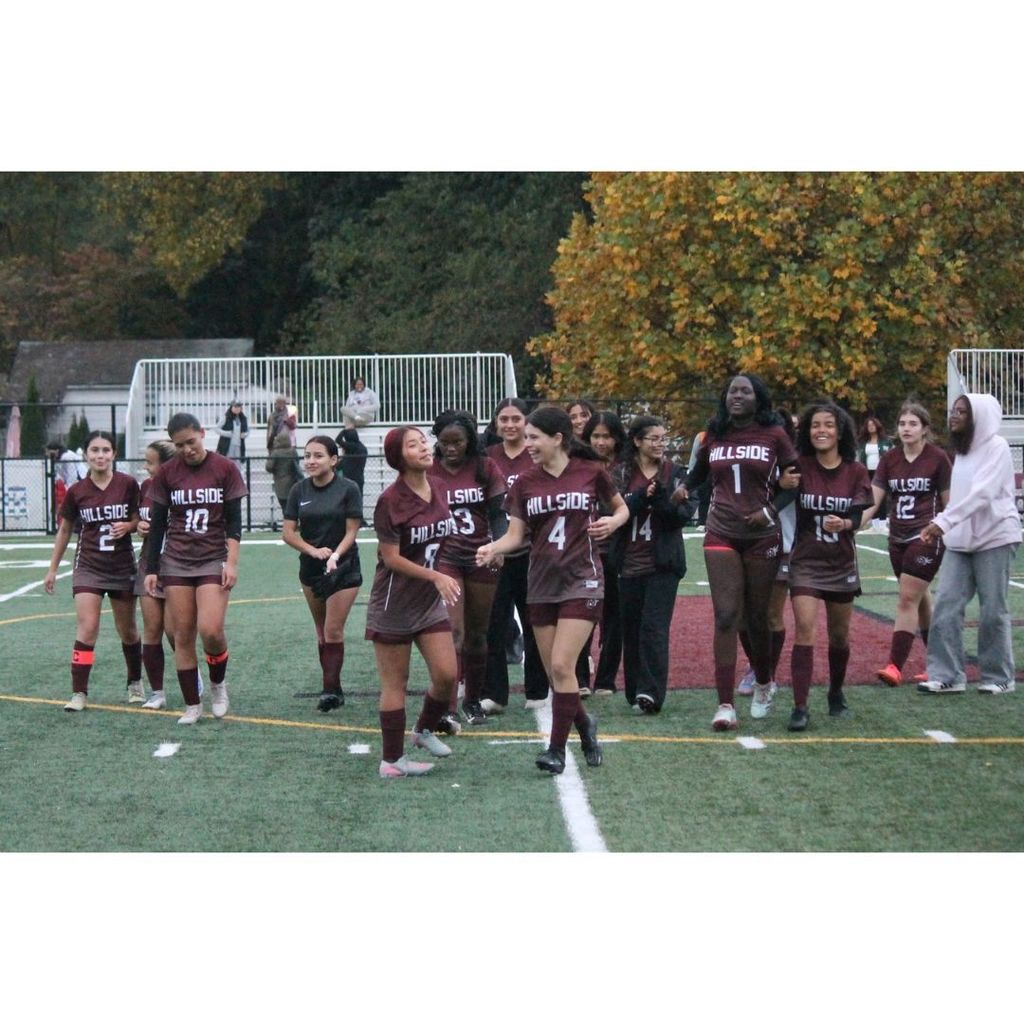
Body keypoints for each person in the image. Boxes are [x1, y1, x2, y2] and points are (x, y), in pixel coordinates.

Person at [476, 406, 629, 774]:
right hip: (542, 581)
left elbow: (622, 509)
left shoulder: (590, 472)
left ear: (558, 438)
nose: (527, 443)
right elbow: (515, 535)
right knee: (557, 674)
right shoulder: (525, 483)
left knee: (562, 665)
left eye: (534, 437)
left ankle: (556, 750)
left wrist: (612, 522)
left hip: (582, 578)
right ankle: (585, 724)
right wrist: (493, 548)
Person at [681, 373, 799, 731]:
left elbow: (795, 481)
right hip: (721, 530)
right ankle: (725, 704)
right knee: (726, 616)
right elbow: (698, 472)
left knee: (756, 617)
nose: (737, 396)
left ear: (757, 398)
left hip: (762, 534)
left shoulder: (774, 434)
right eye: (732, 390)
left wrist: (770, 510)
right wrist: (683, 488)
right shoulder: (714, 433)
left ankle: (763, 681)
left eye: (745, 391)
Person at [366, 426, 462, 778]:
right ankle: (391, 761)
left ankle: (423, 730)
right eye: (413, 444)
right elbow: (390, 558)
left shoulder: (439, 486)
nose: (424, 447)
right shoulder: (390, 500)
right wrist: (434, 576)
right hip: (394, 604)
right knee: (396, 684)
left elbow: (440, 539)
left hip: (427, 602)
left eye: (423, 441)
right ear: (398, 457)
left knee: (447, 675)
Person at [143, 412, 248, 725]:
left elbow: (234, 522)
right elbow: (158, 524)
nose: (187, 449)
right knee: (182, 634)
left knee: (211, 630)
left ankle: (218, 685)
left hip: (213, 557)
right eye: (179, 445)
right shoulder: (167, 473)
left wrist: (231, 562)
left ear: (202, 433)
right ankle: (192, 704)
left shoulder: (224, 468)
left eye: (191, 441)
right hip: (177, 560)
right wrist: (152, 568)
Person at [918, 394, 1021, 695]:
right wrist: (944, 522)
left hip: (995, 537)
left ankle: (999, 677)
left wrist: (943, 523)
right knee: (946, 605)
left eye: (962, 412)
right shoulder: (962, 451)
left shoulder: (997, 447)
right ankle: (948, 675)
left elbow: (983, 494)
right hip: (960, 540)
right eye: (954, 410)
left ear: (980, 417)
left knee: (992, 610)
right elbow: (960, 498)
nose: (954, 415)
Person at [786, 401, 873, 730]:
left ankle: (836, 692)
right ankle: (800, 706)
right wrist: (781, 484)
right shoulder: (800, 466)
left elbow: (860, 513)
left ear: (840, 431)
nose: (821, 430)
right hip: (806, 561)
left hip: (840, 563)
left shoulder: (855, 470)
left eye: (828, 424)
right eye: (815, 425)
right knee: (804, 629)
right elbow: (778, 494)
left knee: (839, 636)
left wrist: (846, 524)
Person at [43, 430, 142, 711]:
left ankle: (135, 682)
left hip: (121, 565)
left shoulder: (127, 484)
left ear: (114, 454)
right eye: (95, 450)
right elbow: (65, 530)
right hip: (89, 566)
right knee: (87, 628)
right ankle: (79, 692)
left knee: (128, 631)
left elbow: (139, 520)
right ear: (85, 454)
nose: (100, 455)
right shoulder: (77, 491)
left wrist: (129, 526)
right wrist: (52, 568)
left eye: (106, 450)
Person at [608, 415, 694, 712]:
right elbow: (611, 510)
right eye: (654, 438)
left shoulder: (675, 473)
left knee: (654, 628)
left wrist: (661, 500)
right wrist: (640, 497)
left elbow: (683, 515)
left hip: (663, 563)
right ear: (637, 441)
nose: (660, 444)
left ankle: (651, 693)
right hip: (628, 562)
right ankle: (634, 690)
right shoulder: (621, 472)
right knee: (631, 629)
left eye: (663, 438)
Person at [427, 410, 507, 725]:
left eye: (457, 442)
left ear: (469, 440)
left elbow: (498, 513)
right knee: (453, 632)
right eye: (444, 442)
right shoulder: (429, 469)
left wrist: (499, 546)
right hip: (445, 557)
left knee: (477, 634)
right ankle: (447, 705)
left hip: (480, 556)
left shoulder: (485, 467)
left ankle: (472, 701)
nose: (450, 448)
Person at [865, 401, 951, 687]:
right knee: (921, 600)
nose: (906, 428)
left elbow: (949, 502)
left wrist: (941, 527)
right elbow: (873, 500)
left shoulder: (937, 458)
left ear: (925, 429)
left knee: (906, 599)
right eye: (902, 423)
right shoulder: (889, 459)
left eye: (913, 424)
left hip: (926, 536)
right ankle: (941, 664)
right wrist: (852, 522)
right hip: (897, 537)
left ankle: (895, 665)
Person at [283, 436, 364, 712]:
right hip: (311, 568)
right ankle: (335, 688)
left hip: (344, 567)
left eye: (318, 455)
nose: (311, 461)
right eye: (307, 456)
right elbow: (288, 533)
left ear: (334, 460)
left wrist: (335, 555)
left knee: (332, 629)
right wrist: (312, 551)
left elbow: (352, 530)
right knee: (321, 632)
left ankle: (328, 691)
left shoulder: (348, 488)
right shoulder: (299, 490)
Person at [481, 397, 549, 714]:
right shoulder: (487, 456)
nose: (510, 425)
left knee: (535, 620)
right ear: (496, 423)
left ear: (526, 421)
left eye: (516, 419)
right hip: (495, 552)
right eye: (504, 419)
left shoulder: (536, 454)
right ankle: (494, 693)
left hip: (531, 552)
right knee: (494, 623)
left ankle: (537, 689)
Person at [736, 407, 800, 696]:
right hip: (742, 540)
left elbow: (794, 490)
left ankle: (767, 674)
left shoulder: (793, 462)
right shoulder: (746, 457)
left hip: (781, 543)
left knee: (771, 614)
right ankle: (756, 666)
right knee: (741, 615)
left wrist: (778, 484)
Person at [135, 439, 194, 710]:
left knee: (175, 631)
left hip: (175, 565)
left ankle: (193, 678)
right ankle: (157, 692)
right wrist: (139, 525)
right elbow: (139, 518)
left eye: (151, 463)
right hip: (149, 563)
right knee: (151, 630)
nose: (146, 468)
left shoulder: (183, 486)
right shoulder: (146, 487)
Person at [580, 410, 627, 696]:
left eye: (606, 436)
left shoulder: (625, 468)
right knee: (582, 612)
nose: (600, 442)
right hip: (584, 550)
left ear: (616, 438)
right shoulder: (579, 465)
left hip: (618, 549)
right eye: (595, 436)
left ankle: (606, 679)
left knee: (614, 615)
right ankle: (580, 678)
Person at [857, 414, 893, 525]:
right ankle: (874, 521)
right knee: (870, 496)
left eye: (873, 424)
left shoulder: (885, 441)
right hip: (867, 472)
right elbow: (860, 457)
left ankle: (883, 520)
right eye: (869, 425)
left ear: (877, 426)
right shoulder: (863, 442)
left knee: (881, 496)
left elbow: (891, 454)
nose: (871, 427)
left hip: (880, 472)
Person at [267, 426, 302, 528]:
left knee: (284, 506)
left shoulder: (275, 453)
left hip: (280, 482)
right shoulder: (292, 451)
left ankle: (289, 525)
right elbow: (297, 463)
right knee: (293, 504)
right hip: (293, 481)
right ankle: (295, 524)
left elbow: (269, 467)